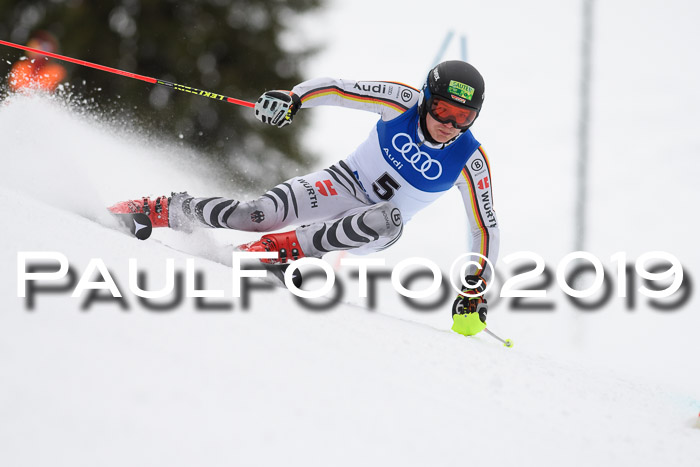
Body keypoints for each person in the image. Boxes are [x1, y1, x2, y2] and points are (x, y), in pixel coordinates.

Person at [109, 60, 500, 337]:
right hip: (341, 183)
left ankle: (282, 253)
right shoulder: (402, 101)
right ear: (428, 98)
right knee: (257, 213)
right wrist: (293, 98)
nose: (448, 124)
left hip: (379, 226)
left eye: (462, 118)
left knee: (386, 217)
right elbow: (339, 89)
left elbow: (485, 227)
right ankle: (162, 209)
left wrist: (475, 287)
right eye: (442, 110)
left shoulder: (470, 160)